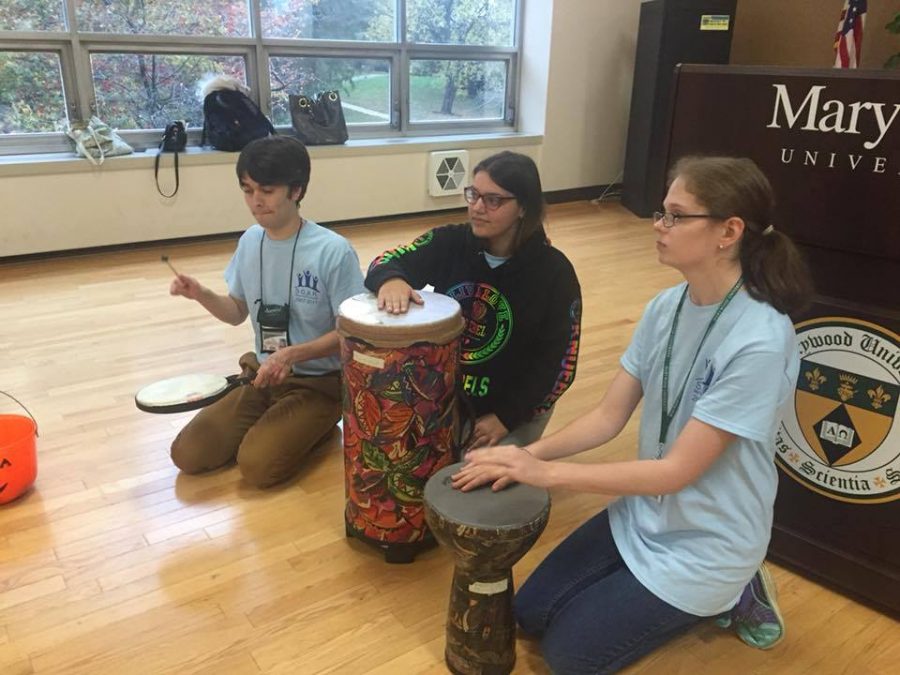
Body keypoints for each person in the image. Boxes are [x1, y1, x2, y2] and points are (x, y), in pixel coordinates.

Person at [452, 156, 814, 673]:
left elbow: (678, 471)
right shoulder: (666, 306)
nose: (658, 226)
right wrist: (522, 455)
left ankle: (736, 588)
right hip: (644, 512)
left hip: (709, 543)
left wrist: (547, 473)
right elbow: (607, 417)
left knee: (569, 657)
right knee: (529, 615)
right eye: (661, 212)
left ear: (728, 231)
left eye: (675, 215)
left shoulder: (759, 339)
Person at [169, 135, 365, 488]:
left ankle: (317, 426)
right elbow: (235, 312)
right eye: (247, 190)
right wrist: (200, 294)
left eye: (267, 190)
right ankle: (287, 427)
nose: (255, 202)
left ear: (297, 190)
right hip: (262, 374)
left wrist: (293, 354)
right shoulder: (249, 241)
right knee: (188, 454)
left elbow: (353, 333)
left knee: (257, 467)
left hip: (315, 385)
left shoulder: (333, 251)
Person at [364, 150, 582, 450]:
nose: (477, 208)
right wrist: (391, 279)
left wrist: (506, 417)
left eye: (493, 200)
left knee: (469, 479)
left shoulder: (555, 273)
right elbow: (386, 260)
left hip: (512, 408)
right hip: (447, 394)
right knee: (403, 455)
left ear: (523, 208)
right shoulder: (451, 241)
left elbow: (559, 366)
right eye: (473, 195)